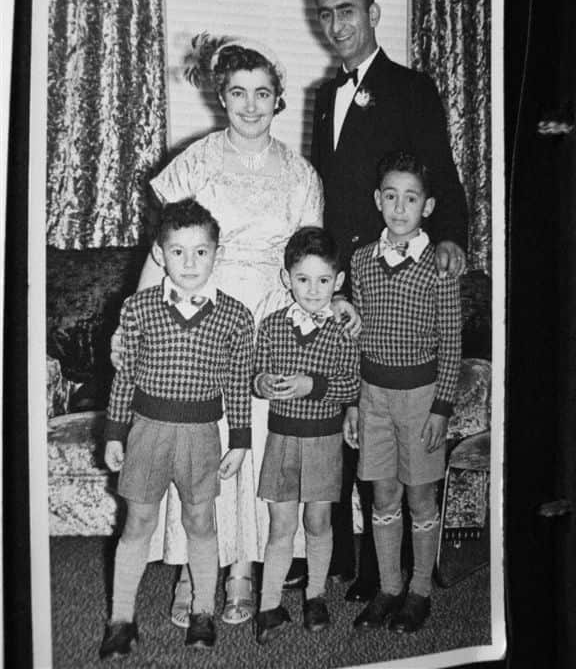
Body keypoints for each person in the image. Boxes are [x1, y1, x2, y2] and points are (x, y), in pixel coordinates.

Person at [122, 35, 328, 626]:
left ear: (277, 100)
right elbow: (164, 249)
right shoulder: (197, 159)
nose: (250, 105)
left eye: (262, 93)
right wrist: (135, 320)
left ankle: (243, 572)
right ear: (223, 97)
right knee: (201, 439)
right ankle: (192, 571)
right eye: (239, 92)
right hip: (199, 309)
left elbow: (310, 258)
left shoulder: (299, 173)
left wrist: (322, 318)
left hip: (270, 314)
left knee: (257, 442)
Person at [309, 0, 468, 600]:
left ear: (373, 14)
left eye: (347, 10)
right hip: (347, 277)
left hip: (393, 272)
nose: (336, 24)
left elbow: (440, 168)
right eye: (325, 14)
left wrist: (452, 233)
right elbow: (326, 190)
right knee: (357, 426)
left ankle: (394, 575)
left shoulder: (410, 86)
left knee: (395, 448)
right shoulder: (326, 93)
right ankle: (355, 562)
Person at [99, 199, 254, 658]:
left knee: (200, 521)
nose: (190, 263)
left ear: (216, 254)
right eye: (178, 251)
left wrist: (241, 441)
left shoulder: (235, 316)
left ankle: (203, 611)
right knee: (138, 522)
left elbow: (237, 383)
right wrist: (113, 430)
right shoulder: (137, 308)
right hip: (147, 432)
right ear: (159, 253)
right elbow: (124, 374)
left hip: (201, 436)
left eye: (201, 252)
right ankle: (121, 619)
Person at [345, 152, 461, 633]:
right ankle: (389, 587)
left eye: (410, 198)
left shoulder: (439, 266)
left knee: (419, 497)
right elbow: (354, 334)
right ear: (378, 200)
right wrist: (352, 399)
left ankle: (418, 591)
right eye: (390, 196)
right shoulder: (361, 262)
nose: (399, 207)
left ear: (427, 206)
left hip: (420, 399)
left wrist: (441, 407)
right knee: (383, 493)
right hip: (373, 396)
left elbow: (451, 342)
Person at [252, 227, 360, 644]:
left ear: (339, 282)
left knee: (317, 519)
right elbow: (255, 372)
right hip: (282, 440)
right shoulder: (273, 325)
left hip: (323, 441)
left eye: (323, 280)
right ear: (286, 279)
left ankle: (315, 596)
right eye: (302, 279)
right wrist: (262, 381)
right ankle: (268, 604)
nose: (313, 290)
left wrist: (310, 385)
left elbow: (350, 385)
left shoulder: (341, 330)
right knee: (281, 523)